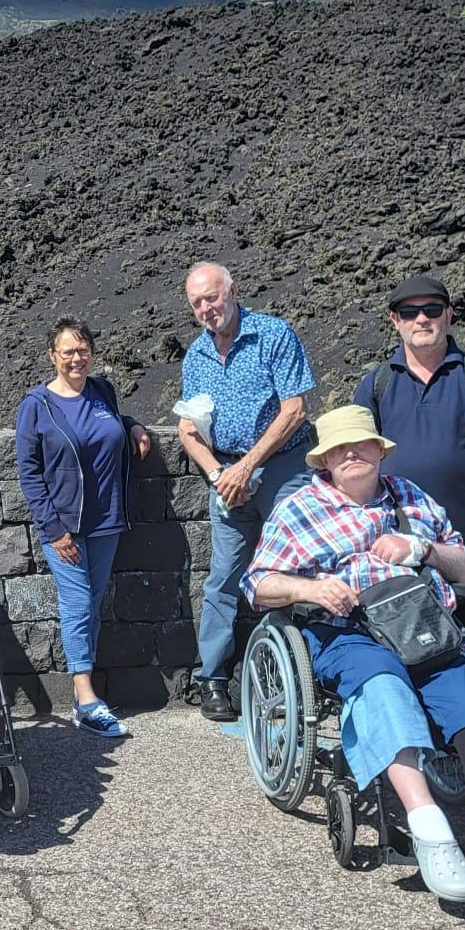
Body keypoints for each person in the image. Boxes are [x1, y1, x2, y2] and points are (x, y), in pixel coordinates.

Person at [244, 405, 465, 927]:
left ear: (379, 450)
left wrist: (420, 547)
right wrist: (311, 588)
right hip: (348, 631)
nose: (352, 453)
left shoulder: (410, 497)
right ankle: (430, 829)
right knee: (383, 687)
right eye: (339, 448)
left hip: (423, 625)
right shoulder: (299, 509)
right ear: (324, 460)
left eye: (361, 445)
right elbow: (257, 585)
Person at [355, 272, 465, 703]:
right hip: (399, 543)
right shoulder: (375, 385)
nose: (422, 319)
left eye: (432, 310)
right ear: (395, 320)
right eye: (410, 312)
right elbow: (353, 461)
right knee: (405, 644)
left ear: (449, 315)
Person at [175, 262, 317, 721]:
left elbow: (295, 409)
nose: (205, 308)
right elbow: (188, 427)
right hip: (229, 475)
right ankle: (213, 679)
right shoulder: (195, 356)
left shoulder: (273, 335)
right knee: (223, 575)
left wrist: (249, 466)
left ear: (233, 291)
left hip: (282, 467)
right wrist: (220, 474)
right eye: (197, 303)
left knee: (296, 566)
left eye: (211, 297)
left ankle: (304, 671)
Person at [13, 317, 153, 737]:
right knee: (76, 604)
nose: (76, 358)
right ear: (53, 356)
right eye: (67, 351)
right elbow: (29, 472)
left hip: (107, 519)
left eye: (83, 350)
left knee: (91, 604)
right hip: (65, 526)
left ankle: (81, 697)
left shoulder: (102, 391)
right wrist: (54, 529)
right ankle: (87, 696)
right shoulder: (36, 405)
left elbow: (109, 421)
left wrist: (133, 425)